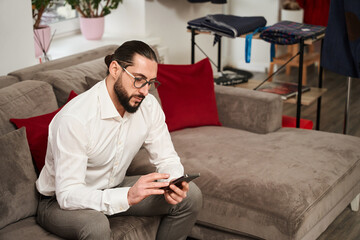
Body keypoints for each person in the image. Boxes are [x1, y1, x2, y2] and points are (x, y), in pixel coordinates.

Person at [36, 40, 203, 240]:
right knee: (95, 225)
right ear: (115, 69)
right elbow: (68, 195)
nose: (145, 91)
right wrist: (127, 196)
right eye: (139, 79)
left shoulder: (148, 106)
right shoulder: (75, 119)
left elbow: (167, 157)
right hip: (59, 201)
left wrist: (174, 183)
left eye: (150, 82)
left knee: (191, 195)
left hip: (113, 185)